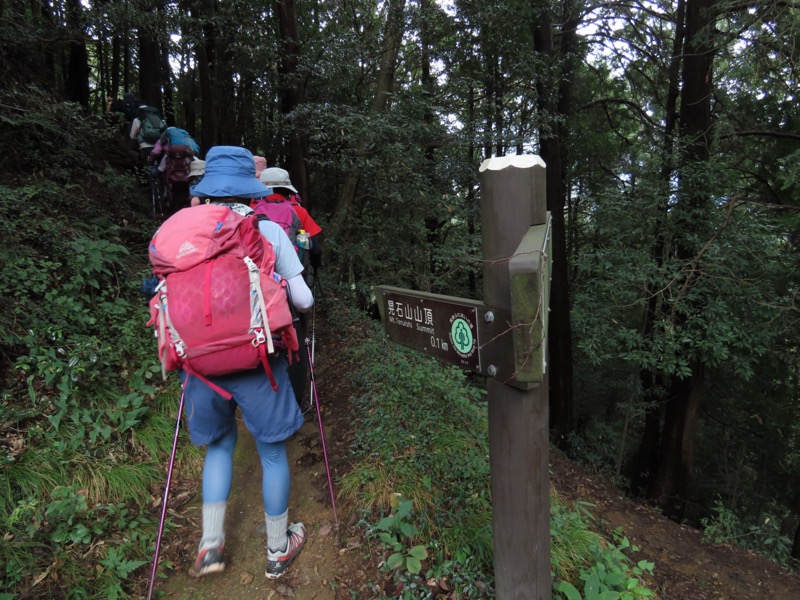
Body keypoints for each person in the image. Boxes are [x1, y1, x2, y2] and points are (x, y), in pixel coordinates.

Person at [185, 146, 313, 579]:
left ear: (207, 190)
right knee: (272, 453)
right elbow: (303, 299)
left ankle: (211, 545)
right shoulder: (267, 231)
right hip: (260, 362)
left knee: (219, 446)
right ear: (249, 188)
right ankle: (278, 549)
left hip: (203, 366)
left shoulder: (181, 230)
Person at [257, 167, 323, 411]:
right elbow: (315, 249)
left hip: (259, 290)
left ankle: (268, 396)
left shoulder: (251, 214)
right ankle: (298, 401)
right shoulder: (298, 211)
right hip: (293, 286)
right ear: (287, 189)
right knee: (296, 339)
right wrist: (314, 267)